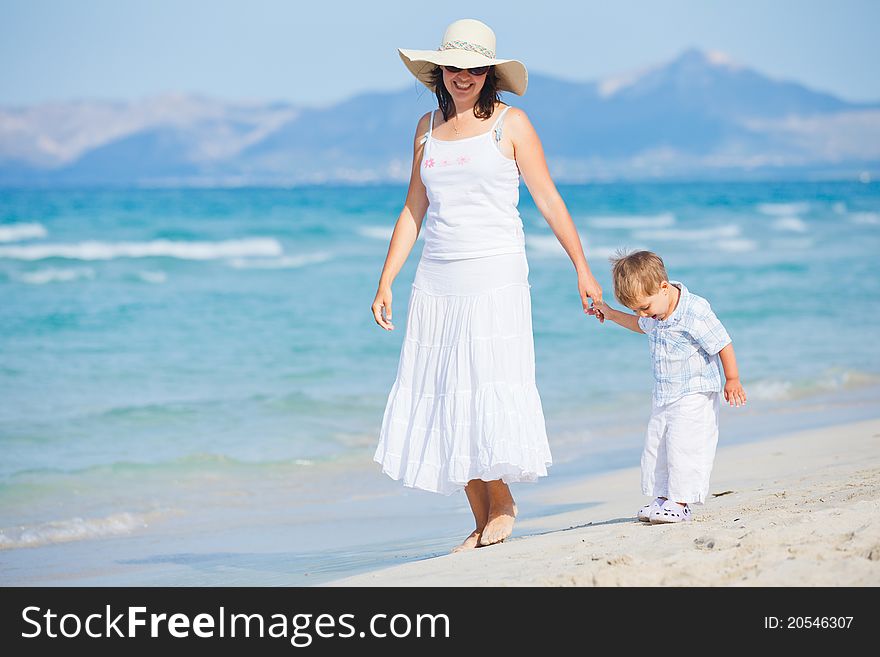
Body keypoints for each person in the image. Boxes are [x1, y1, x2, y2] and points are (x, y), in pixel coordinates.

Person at [371, 18, 603, 551]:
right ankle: (479, 518)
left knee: (483, 382)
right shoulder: (425, 127)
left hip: (496, 274)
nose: (464, 76)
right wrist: (386, 280)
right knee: (448, 391)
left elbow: (547, 198)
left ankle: (503, 503)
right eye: (455, 66)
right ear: (440, 70)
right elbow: (414, 208)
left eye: (475, 68)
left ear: (488, 73)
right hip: (437, 277)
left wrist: (581, 268)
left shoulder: (511, 124)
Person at [590, 250, 746, 523]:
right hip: (665, 393)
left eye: (645, 307)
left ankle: (681, 502)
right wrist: (612, 314)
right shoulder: (655, 312)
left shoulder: (694, 310)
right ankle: (663, 497)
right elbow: (641, 325)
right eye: (636, 309)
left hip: (694, 393)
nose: (642, 314)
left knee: (685, 446)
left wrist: (732, 379)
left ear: (663, 287)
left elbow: (722, 342)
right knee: (658, 446)